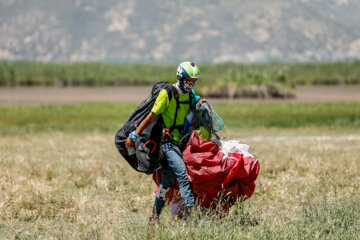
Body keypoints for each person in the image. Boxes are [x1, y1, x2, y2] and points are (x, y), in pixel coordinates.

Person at [125, 61, 202, 221]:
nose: (191, 85)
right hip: (167, 144)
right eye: (188, 81)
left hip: (182, 144)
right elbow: (151, 115)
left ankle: (154, 217)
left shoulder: (191, 96)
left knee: (166, 183)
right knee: (182, 175)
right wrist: (135, 134)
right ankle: (194, 217)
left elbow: (198, 104)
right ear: (180, 78)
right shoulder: (167, 93)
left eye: (193, 82)